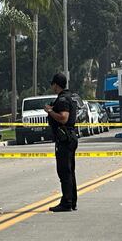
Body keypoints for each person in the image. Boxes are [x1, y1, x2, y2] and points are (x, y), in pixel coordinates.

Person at [44, 72, 78, 212]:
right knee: (69, 171)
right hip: (69, 137)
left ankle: (67, 202)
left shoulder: (63, 99)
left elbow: (63, 118)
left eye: (52, 84)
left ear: (56, 85)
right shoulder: (68, 97)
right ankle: (72, 201)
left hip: (65, 139)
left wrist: (50, 111)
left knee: (64, 172)